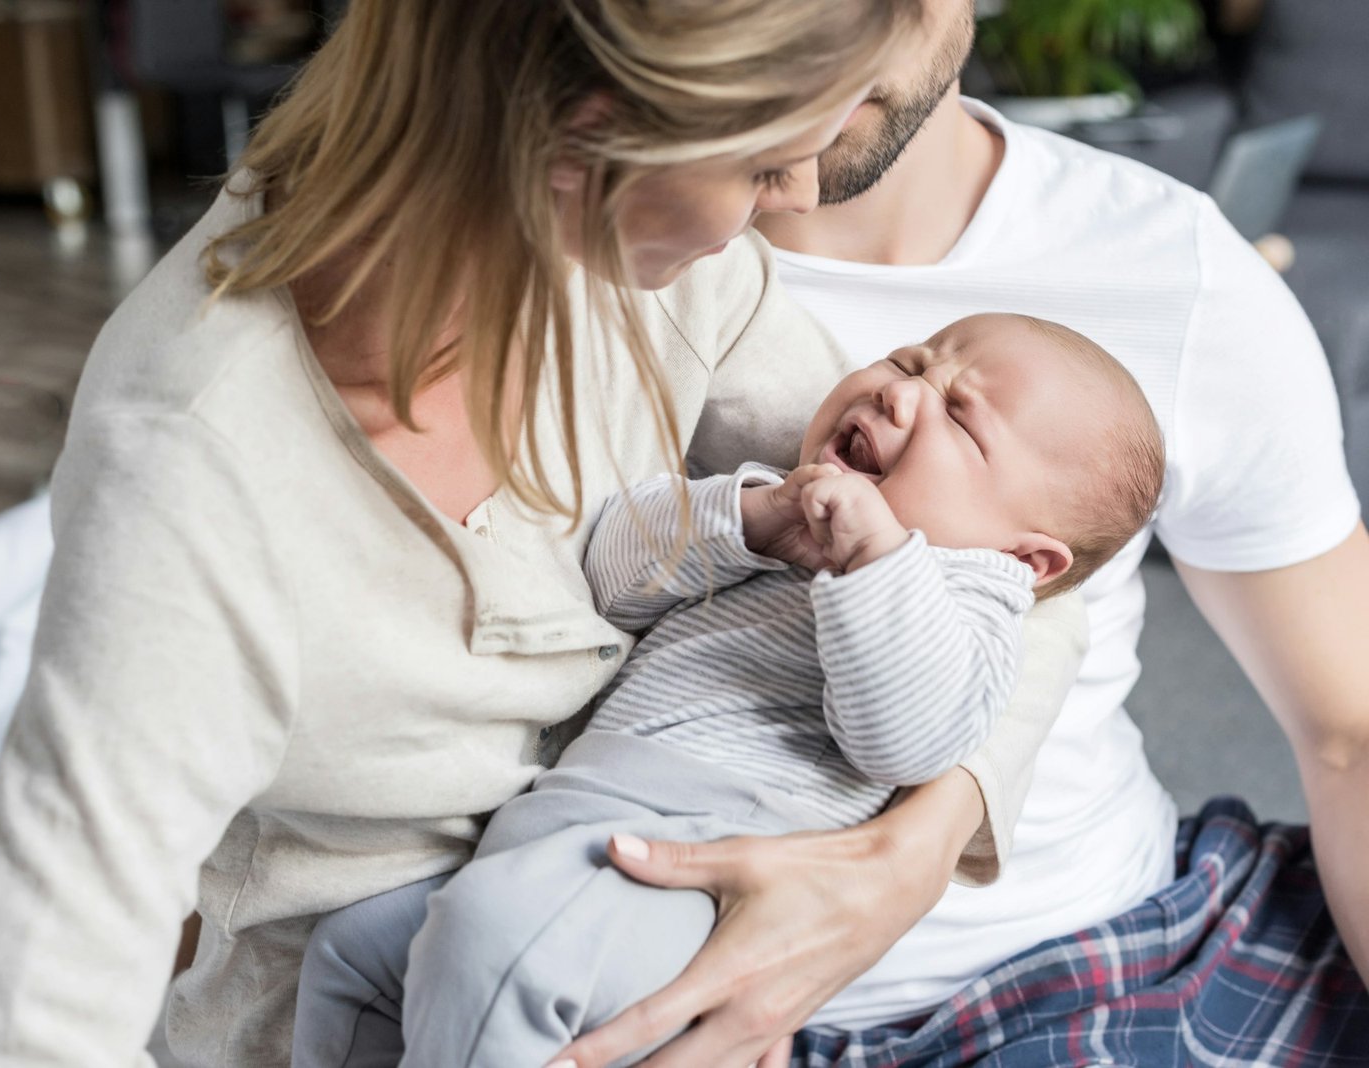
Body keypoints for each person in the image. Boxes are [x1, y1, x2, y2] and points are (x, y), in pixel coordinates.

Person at [0, 3, 1094, 1067]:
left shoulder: (657, 272)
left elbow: (1012, 558)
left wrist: (897, 866)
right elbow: (24, 1021)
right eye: (766, 161)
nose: (795, 197)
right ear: (588, 135)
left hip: (640, 947)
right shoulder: (197, 477)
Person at [548, 1, 1369, 1064]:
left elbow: (1349, 732)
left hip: (1098, 945)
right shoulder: (563, 246)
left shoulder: (1170, 264)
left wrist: (927, 840)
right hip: (630, 959)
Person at [289, 313, 1165, 1067]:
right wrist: (749, 519)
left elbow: (907, 740)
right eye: (908, 362)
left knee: (495, 945)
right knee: (353, 955)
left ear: (1026, 559)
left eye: (961, 418)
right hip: (561, 832)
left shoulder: (969, 601)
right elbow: (607, 579)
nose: (900, 393)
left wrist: (876, 561)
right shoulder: (776, 509)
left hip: (696, 869)